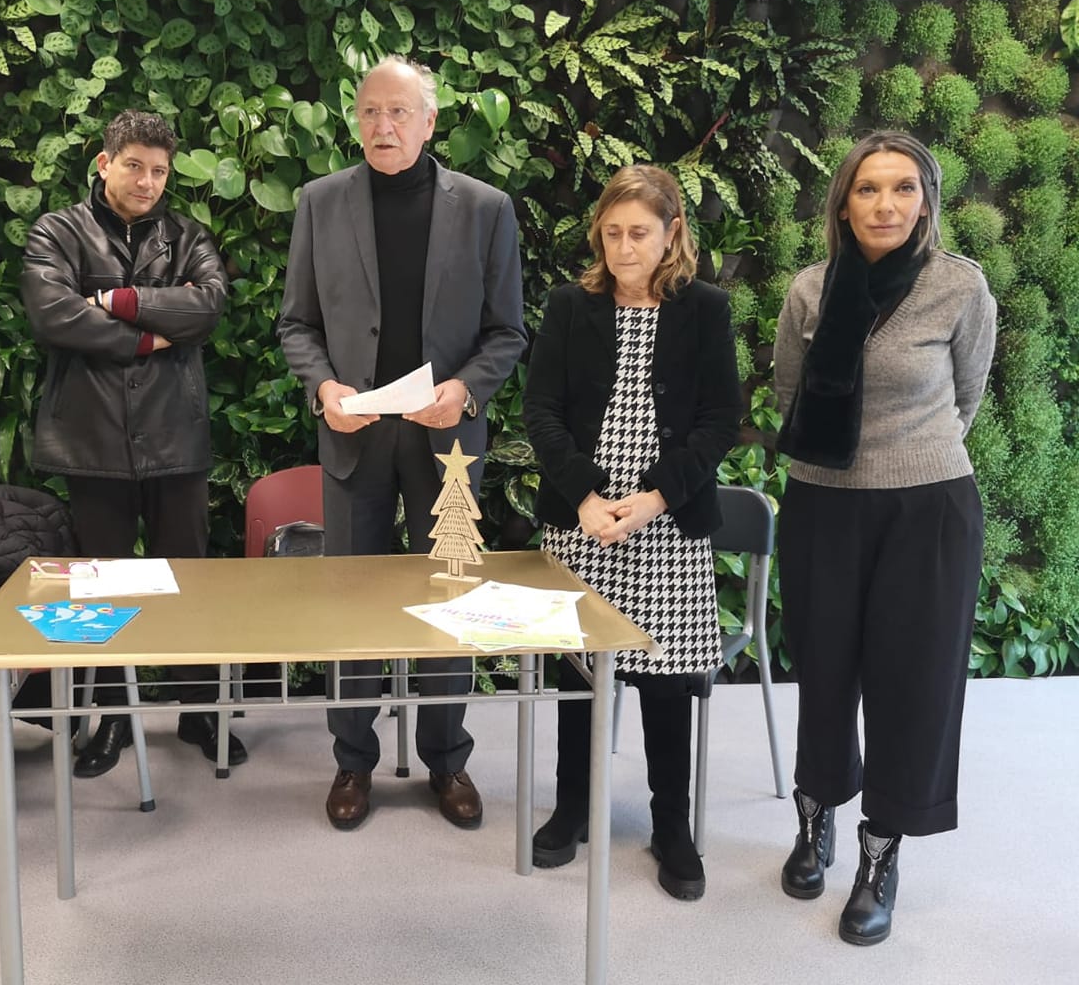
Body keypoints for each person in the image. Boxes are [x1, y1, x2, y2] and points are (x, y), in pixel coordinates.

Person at [277, 55, 526, 831]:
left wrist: (467, 390)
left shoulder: (485, 209)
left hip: (447, 443)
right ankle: (353, 760)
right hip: (354, 437)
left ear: (429, 121)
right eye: (369, 112)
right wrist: (324, 389)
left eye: (398, 112)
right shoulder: (320, 203)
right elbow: (297, 323)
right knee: (351, 600)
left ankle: (446, 758)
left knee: (451, 598)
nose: (382, 126)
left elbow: (506, 332)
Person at [773, 130, 996, 945]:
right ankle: (815, 818)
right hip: (823, 503)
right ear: (843, 204)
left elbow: (967, 393)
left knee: (912, 683)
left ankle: (880, 854)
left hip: (927, 510)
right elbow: (789, 392)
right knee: (825, 671)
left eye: (904, 188)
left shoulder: (959, 286)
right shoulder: (809, 289)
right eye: (868, 189)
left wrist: (910, 455)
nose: (885, 204)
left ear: (926, 202)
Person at [522, 165, 741, 899]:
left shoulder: (705, 309)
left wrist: (655, 499)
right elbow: (541, 411)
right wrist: (584, 496)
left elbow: (720, 420)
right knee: (578, 674)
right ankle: (572, 809)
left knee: (666, 681)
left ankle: (671, 825)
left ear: (672, 233)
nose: (623, 248)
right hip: (583, 522)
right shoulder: (568, 306)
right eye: (612, 233)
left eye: (639, 233)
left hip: (667, 522)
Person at [20, 110, 243, 775]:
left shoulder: (188, 235)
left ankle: (200, 710)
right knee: (104, 592)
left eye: (159, 171)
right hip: (89, 440)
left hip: (176, 435)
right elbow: (54, 315)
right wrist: (150, 332)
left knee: (188, 581)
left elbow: (207, 306)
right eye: (135, 166)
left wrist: (111, 301)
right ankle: (114, 720)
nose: (148, 182)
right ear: (104, 163)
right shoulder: (57, 231)